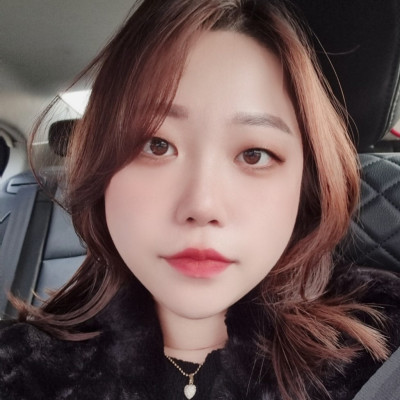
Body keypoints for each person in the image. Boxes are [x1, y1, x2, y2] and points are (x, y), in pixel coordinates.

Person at [1, 0, 400, 399]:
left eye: (254, 154)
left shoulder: (382, 360)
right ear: (100, 170)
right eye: (156, 145)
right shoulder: (21, 369)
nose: (202, 206)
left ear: (305, 185)